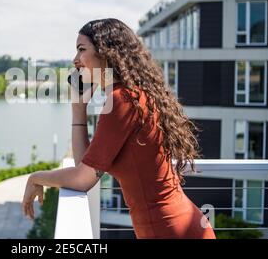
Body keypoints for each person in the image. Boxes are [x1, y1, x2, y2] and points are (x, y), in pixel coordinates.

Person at [22, 18, 216, 239]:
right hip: (177, 224)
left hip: (169, 229)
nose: (75, 59)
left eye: (81, 49)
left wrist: (35, 177)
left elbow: (82, 179)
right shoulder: (131, 95)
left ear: (106, 52)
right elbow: (85, 165)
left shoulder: (122, 100)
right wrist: (78, 110)